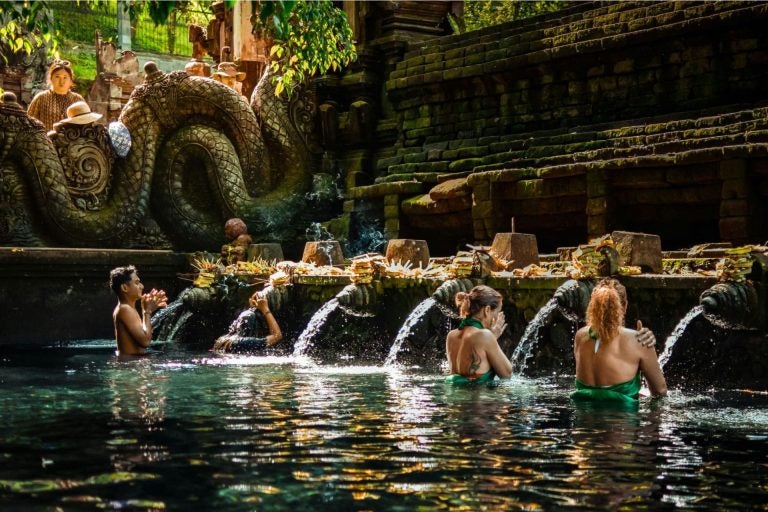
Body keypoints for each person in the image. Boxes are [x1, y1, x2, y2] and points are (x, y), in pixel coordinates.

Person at [572, 278, 667, 405]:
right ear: (625, 306)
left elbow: (598, 392)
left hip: (583, 422)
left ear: (593, 306)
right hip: (622, 423)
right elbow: (660, 392)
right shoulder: (639, 340)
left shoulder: (580, 336)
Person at [445, 285, 513, 384]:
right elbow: (507, 374)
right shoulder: (485, 336)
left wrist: (492, 338)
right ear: (487, 310)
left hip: (453, 398)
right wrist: (492, 337)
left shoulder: (451, 335)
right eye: (497, 312)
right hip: (477, 398)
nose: (497, 317)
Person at [110, 265, 168, 356]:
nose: (142, 286)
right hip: (130, 364)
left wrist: (148, 309)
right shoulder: (125, 309)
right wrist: (146, 312)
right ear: (125, 287)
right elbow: (145, 341)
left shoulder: (126, 308)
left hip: (131, 362)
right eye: (136, 283)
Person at [213, 291, 283, 353]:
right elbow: (277, 336)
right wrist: (265, 309)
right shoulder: (245, 342)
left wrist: (253, 307)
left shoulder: (223, 339)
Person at [27, 59, 85, 131]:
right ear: (51, 78)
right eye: (57, 77)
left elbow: (86, 124)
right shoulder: (41, 98)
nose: (62, 81)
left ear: (70, 80)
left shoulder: (77, 99)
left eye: (65, 77)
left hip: (72, 141)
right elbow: (29, 122)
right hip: (46, 140)